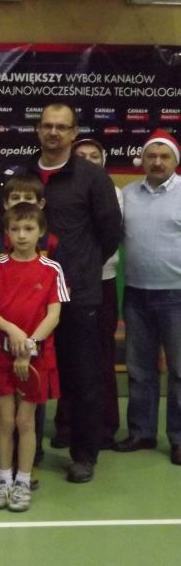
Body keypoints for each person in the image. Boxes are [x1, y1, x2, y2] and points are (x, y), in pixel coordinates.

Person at [18, 103, 122, 483]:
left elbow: (110, 232)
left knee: (82, 377)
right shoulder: (23, 174)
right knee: (27, 374)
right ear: (38, 130)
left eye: (62, 127)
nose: (53, 133)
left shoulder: (93, 177)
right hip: (28, 296)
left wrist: (82, 267)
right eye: (47, 125)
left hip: (77, 294)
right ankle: (26, 451)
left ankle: (84, 455)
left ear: (74, 133)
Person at [0, 202, 67, 512]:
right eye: (15, 229)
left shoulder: (52, 269)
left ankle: (23, 481)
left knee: (25, 421)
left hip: (36, 357)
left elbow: (54, 315)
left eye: (28, 229)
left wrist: (28, 345)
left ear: (41, 232)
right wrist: (12, 331)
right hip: (0, 354)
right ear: (7, 233)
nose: (21, 235)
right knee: (5, 419)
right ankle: (4, 479)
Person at [115, 130, 181, 464]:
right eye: (151, 156)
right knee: (140, 370)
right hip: (137, 295)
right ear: (142, 159)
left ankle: (179, 439)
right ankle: (141, 432)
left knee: (180, 371)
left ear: (175, 161)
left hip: (177, 296)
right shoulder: (128, 194)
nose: (157, 162)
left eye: (164, 156)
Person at [72, 138, 122, 448]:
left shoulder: (114, 192)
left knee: (101, 356)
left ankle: (105, 426)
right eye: (81, 156)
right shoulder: (64, 188)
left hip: (102, 281)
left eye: (94, 156)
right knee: (69, 357)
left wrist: (91, 265)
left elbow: (111, 235)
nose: (88, 161)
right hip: (68, 285)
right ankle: (66, 425)